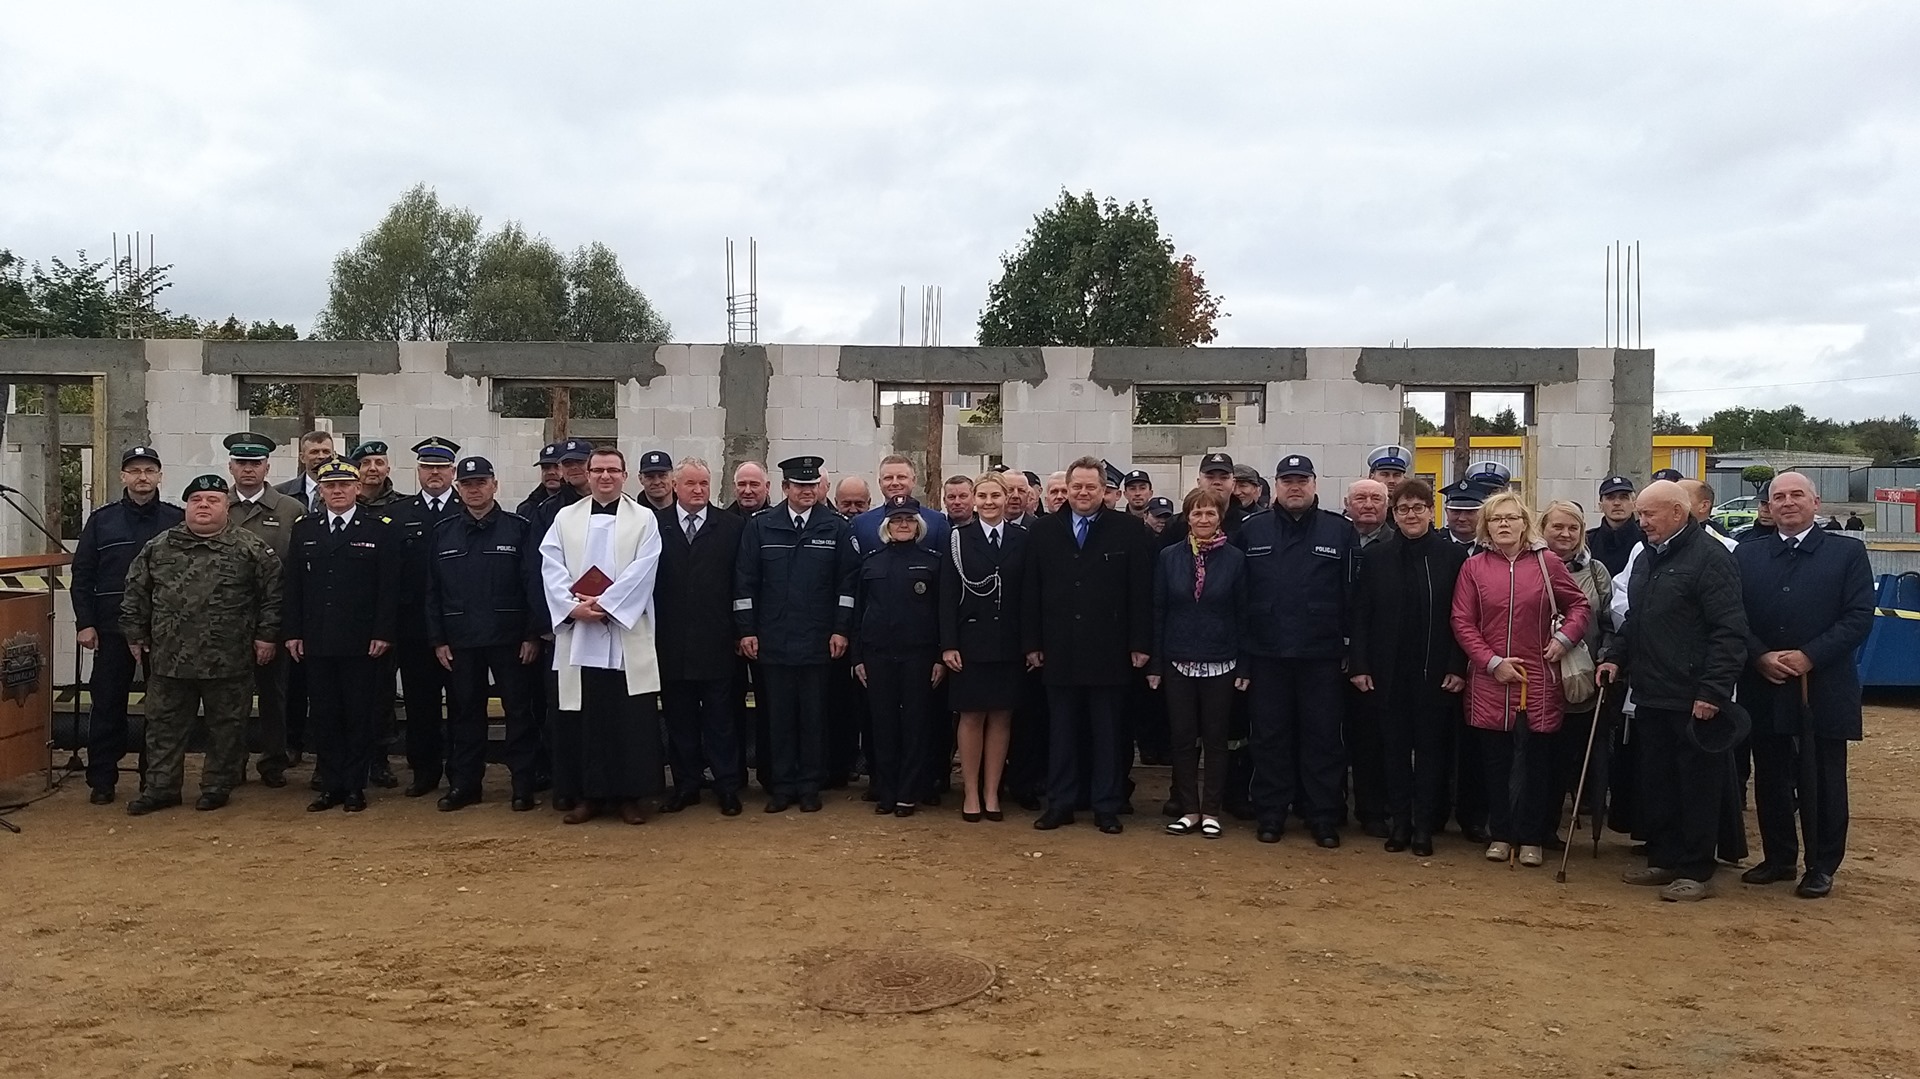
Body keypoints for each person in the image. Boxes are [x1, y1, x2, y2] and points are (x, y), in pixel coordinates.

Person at [1598, 480, 1748, 902]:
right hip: (1650, 693)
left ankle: (1697, 869)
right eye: (1641, 514)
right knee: (1658, 782)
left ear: (1678, 514)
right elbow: (1637, 621)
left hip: (1694, 697)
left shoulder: (1710, 559)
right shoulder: (1647, 558)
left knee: (1696, 786)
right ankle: (1663, 858)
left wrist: (1713, 691)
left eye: (1649, 514)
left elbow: (1729, 631)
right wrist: (1615, 655)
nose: (1641, 522)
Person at [1735, 472, 1874, 899]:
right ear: (1769, 506)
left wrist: (1810, 654)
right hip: (1765, 682)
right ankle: (1779, 858)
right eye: (1779, 497)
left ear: (1816, 502)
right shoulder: (1746, 554)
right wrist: (1759, 655)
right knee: (1771, 775)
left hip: (1824, 684)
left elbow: (1857, 616)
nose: (1788, 503)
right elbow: (1733, 615)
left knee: (1823, 779)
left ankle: (1821, 864)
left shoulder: (1846, 552)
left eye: (1797, 495)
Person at [118, 475, 282, 815]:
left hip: (229, 660)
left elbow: (273, 597)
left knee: (226, 728)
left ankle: (217, 786)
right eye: (196, 500)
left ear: (227, 506)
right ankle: (161, 788)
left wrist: (267, 636)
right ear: (187, 507)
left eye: (212, 500)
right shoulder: (159, 547)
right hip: (169, 659)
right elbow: (136, 592)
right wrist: (134, 634)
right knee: (164, 728)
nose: (204, 506)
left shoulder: (250, 549)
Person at [1451, 490, 1591, 868]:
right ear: (1486, 526)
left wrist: (1564, 640)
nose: (1504, 525)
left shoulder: (1546, 563)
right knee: (1495, 763)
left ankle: (1531, 836)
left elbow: (1578, 605)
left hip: (1538, 677)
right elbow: (1462, 621)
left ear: (1525, 523)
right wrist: (1491, 661)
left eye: (1511, 518)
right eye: (1497, 519)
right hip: (1492, 678)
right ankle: (1500, 833)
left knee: (1535, 762)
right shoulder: (1474, 567)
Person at [1022, 456, 1153, 834]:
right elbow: (1031, 590)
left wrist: (1140, 642)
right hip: (1058, 649)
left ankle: (1106, 805)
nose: (1082, 493)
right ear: (1067, 489)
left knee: (1107, 733)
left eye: (1090, 487)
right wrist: (1031, 642)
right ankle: (1061, 803)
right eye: (1076, 486)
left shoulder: (1129, 529)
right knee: (1061, 732)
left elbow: (1140, 591)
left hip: (1110, 649)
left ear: (1104, 490)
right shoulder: (1044, 530)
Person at [1236, 455, 1359, 847]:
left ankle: (1321, 815)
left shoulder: (1340, 532)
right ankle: (1271, 814)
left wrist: (1349, 651)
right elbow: (1239, 599)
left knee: (1323, 739)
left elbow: (1352, 597)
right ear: (1276, 484)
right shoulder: (1251, 530)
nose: (1295, 487)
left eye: (1302, 480)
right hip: (1267, 653)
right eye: (1287, 480)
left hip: (1320, 656)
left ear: (1314, 485)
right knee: (1269, 738)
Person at [538, 448, 666, 825]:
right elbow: (551, 566)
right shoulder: (565, 518)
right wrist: (571, 608)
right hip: (580, 633)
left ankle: (630, 796)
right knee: (585, 717)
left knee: (628, 719)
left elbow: (645, 569)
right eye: (598, 470)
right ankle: (587, 796)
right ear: (587, 475)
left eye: (613, 470)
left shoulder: (644, 519)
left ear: (625, 475)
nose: (605, 476)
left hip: (624, 632)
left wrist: (608, 605)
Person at [1348, 479, 1467, 855]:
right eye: (1403, 509)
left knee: (1431, 752)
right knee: (1394, 750)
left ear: (1431, 512)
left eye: (1418, 508)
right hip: (1388, 671)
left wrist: (1456, 665)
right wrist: (1360, 665)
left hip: (1435, 672)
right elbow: (1361, 616)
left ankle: (1425, 827)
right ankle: (1399, 823)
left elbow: (1462, 617)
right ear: (1393, 514)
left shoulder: (1452, 557)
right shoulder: (1377, 556)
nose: (1411, 515)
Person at [424, 456, 546, 812]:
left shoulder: (518, 528)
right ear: (457, 488)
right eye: (467, 484)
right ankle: (465, 784)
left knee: (519, 714)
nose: (474, 489)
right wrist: (438, 640)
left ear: (495, 485)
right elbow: (432, 591)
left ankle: (523, 785)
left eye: (481, 482)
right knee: (464, 715)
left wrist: (532, 634)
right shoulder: (444, 531)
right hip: (461, 642)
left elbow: (531, 586)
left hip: (511, 641)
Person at [734, 456, 856, 812]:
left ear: (820, 489)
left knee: (814, 716)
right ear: (785, 488)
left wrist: (840, 629)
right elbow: (745, 582)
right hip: (773, 640)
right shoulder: (761, 527)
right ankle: (782, 786)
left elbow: (846, 584)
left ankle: (810, 786)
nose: (806, 492)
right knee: (778, 717)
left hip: (819, 641)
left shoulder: (836, 527)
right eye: (798, 486)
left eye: (811, 486)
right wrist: (747, 631)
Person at [283, 456, 402, 813]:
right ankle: (330, 785)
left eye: (344, 485)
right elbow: (294, 587)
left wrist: (383, 631)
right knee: (324, 715)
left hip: (362, 641)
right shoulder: (306, 528)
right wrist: (293, 633)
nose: (337, 491)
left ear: (356, 489)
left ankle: (355, 786)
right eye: (330, 486)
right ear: (320, 490)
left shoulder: (379, 527)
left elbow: (389, 587)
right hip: (317, 639)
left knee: (358, 714)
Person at [72, 446, 184, 804]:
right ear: (123, 476)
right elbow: (82, 575)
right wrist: (86, 624)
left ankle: (155, 778)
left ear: (160, 475)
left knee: (162, 706)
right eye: (134, 471)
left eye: (149, 470)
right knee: (107, 703)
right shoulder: (101, 521)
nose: (142, 477)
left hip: (163, 630)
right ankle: (102, 778)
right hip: (111, 628)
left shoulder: (175, 520)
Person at [1149, 487, 1248, 840]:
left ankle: (1212, 811)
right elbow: (1159, 610)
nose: (1203, 519)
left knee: (1216, 739)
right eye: (1196, 513)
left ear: (1219, 518)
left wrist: (1245, 666)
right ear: (1187, 518)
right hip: (1177, 659)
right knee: (1182, 738)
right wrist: (1156, 665)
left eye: (1210, 514)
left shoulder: (1236, 558)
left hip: (1222, 660)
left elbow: (1243, 613)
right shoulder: (1169, 557)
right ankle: (1189, 809)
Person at [652, 457, 748, 817]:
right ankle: (686, 785)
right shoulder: (654, 526)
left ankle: (726, 786)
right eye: (690, 483)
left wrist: (742, 631)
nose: (697, 490)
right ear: (675, 486)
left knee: (721, 720)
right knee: (679, 720)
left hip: (718, 642)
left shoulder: (732, 527)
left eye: (704, 484)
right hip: (670, 642)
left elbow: (742, 583)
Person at [850, 496, 947, 816]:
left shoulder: (933, 562)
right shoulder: (871, 561)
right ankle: (886, 790)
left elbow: (941, 614)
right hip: (878, 656)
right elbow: (859, 613)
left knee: (916, 725)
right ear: (886, 526)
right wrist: (858, 657)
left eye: (908, 520)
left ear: (918, 525)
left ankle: (909, 792)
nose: (902, 525)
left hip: (918, 657)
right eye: (896, 520)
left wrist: (937, 657)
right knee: (883, 726)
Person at [941, 471, 1027, 822]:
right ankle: (971, 793)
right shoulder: (958, 539)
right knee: (972, 716)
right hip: (970, 643)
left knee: (1002, 717)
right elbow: (946, 596)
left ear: (1008, 499)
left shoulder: (1024, 538)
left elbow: (1029, 595)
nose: (989, 502)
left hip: (1010, 642)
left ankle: (993, 793)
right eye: (983, 496)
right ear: (974, 500)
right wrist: (947, 644)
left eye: (996, 496)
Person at [223, 431, 306, 788]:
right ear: (231, 466)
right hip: (224, 622)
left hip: (274, 619)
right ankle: (230, 763)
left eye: (255, 463)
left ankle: (273, 761)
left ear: (267, 466)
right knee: (228, 698)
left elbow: (299, 569)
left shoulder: (291, 510)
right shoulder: (215, 505)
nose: (248, 470)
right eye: (241, 463)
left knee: (274, 696)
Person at [1540, 499, 1616, 838]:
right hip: (1540, 673)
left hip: (1584, 677)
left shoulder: (1596, 570)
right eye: (1557, 526)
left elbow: (1609, 621)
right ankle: (1542, 826)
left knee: (1580, 753)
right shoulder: (1531, 565)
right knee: (1547, 758)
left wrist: (1607, 655)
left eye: (1573, 528)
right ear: (1542, 529)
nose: (1565, 534)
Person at [392, 436, 461, 797]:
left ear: (452, 471)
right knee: (421, 705)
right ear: (418, 471)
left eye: (441, 467)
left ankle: (462, 771)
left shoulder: (468, 508)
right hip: (415, 629)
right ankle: (425, 770)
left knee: (463, 704)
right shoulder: (401, 514)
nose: (434, 474)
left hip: (459, 627)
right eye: (427, 467)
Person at [850, 454, 949, 555]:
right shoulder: (862, 524)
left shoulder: (936, 522)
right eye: (888, 478)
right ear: (880, 483)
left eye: (901, 477)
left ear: (913, 481)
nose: (895, 483)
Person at [1161, 453, 1247, 545]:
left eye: (1224, 478)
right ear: (1199, 482)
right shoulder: (1176, 525)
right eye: (1210, 477)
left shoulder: (1246, 524)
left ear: (1233, 484)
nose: (1217, 482)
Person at [1587, 475, 1643, 575]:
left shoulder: (1646, 539)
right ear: (1600, 506)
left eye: (1624, 497)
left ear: (1634, 505)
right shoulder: (1588, 541)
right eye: (1610, 498)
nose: (1617, 503)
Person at [276, 430, 336, 510]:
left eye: (326, 452)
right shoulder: (280, 493)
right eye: (314, 452)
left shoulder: (347, 492)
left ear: (334, 456)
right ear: (302, 458)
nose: (321, 456)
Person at [351, 441, 405, 509]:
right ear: (355, 470)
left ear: (387, 471)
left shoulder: (402, 505)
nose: (372, 468)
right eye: (365, 463)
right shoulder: (345, 504)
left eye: (379, 463)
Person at [516, 442, 565, 517]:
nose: (550, 472)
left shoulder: (580, 505)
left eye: (557, 467)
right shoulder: (526, 509)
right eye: (545, 467)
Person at [1345, 478, 1390, 549]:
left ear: (1386, 504)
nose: (1368, 506)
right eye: (1360, 498)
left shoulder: (1400, 544)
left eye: (1376, 499)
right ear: (1346, 504)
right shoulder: (1333, 539)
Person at [1440, 479, 1485, 546]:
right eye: (1456, 511)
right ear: (1446, 512)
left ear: (1483, 513)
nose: (1462, 518)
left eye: (1470, 512)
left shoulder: (1495, 546)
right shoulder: (1432, 545)